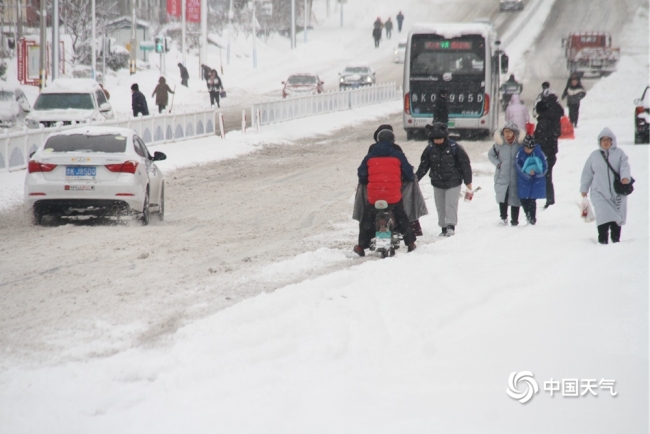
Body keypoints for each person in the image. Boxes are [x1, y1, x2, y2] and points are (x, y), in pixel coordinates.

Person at [354, 128, 417, 256]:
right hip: (393, 195)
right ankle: (410, 243)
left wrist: (367, 180)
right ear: (393, 141)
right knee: (401, 216)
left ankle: (361, 246)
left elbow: (361, 174)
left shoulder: (370, 156)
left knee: (367, 218)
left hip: (374, 196)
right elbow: (409, 174)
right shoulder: (398, 155)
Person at [416, 122, 472, 237]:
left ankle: (451, 226)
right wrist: (415, 179)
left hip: (453, 182)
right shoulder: (429, 149)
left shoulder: (454, 147)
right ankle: (443, 227)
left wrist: (468, 181)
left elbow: (465, 164)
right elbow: (424, 166)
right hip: (437, 182)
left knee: (451, 204)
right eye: (435, 139)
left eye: (440, 138)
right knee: (440, 206)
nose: (437, 141)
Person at [580, 128, 632, 244]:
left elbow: (625, 166)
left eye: (608, 140)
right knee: (602, 216)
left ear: (612, 141)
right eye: (603, 140)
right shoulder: (594, 156)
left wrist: (625, 177)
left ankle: (615, 242)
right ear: (600, 142)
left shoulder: (619, 154)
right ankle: (602, 242)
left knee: (616, 218)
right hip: (599, 193)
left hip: (617, 193)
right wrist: (584, 188)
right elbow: (587, 173)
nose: (606, 142)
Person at [488, 122, 524, 226]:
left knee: (515, 198)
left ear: (514, 133)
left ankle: (515, 220)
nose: (507, 134)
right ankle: (503, 217)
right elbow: (491, 155)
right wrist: (498, 164)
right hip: (502, 175)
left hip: (516, 176)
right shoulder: (498, 144)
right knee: (502, 196)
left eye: (509, 132)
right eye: (505, 132)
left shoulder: (520, 144)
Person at [534, 94, 563, 208]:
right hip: (551, 152)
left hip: (544, 154)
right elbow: (557, 134)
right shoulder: (553, 120)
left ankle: (548, 200)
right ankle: (549, 199)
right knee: (547, 176)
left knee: (544, 177)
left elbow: (540, 140)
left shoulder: (543, 122)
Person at [515, 135, 548, 225]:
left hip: (535, 181)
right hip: (524, 181)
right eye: (526, 148)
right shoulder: (520, 153)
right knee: (523, 199)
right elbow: (517, 166)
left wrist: (537, 173)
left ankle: (532, 219)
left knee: (532, 200)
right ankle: (528, 215)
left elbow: (545, 166)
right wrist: (526, 175)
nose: (528, 150)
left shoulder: (539, 153)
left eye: (530, 149)